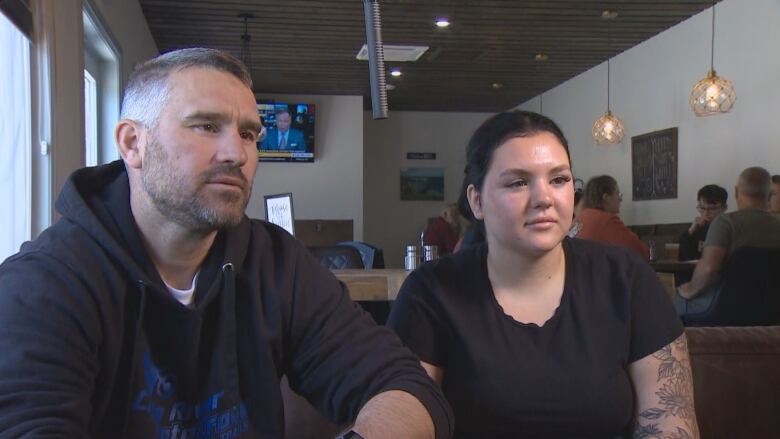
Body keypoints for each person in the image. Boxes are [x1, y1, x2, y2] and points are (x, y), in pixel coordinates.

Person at [0, 48, 453, 438]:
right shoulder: (43, 287)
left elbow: (405, 387)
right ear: (133, 143)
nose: (237, 153)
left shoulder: (275, 263)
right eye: (205, 126)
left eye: (249, 134)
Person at [388, 110, 699, 438]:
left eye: (559, 179)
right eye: (518, 182)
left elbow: (669, 422)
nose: (544, 198)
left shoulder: (627, 279)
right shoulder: (432, 291)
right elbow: (403, 416)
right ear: (476, 201)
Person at [675, 167, 780, 315]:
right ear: (768, 195)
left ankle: (682, 340)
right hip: (771, 309)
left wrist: (689, 290)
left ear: (736, 192)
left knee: (672, 303)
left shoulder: (725, 223)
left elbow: (708, 269)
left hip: (725, 306)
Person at [574, 175, 649, 258]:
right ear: (606, 198)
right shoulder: (605, 220)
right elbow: (640, 251)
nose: (620, 199)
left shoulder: (579, 218)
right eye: (617, 194)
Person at [678, 184, 728, 261]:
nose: (706, 213)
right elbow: (681, 258)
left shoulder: (729, 229)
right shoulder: (697, 228)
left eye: (712, 209)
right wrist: (690, 232)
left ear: (724, 208)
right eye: (702, 208)